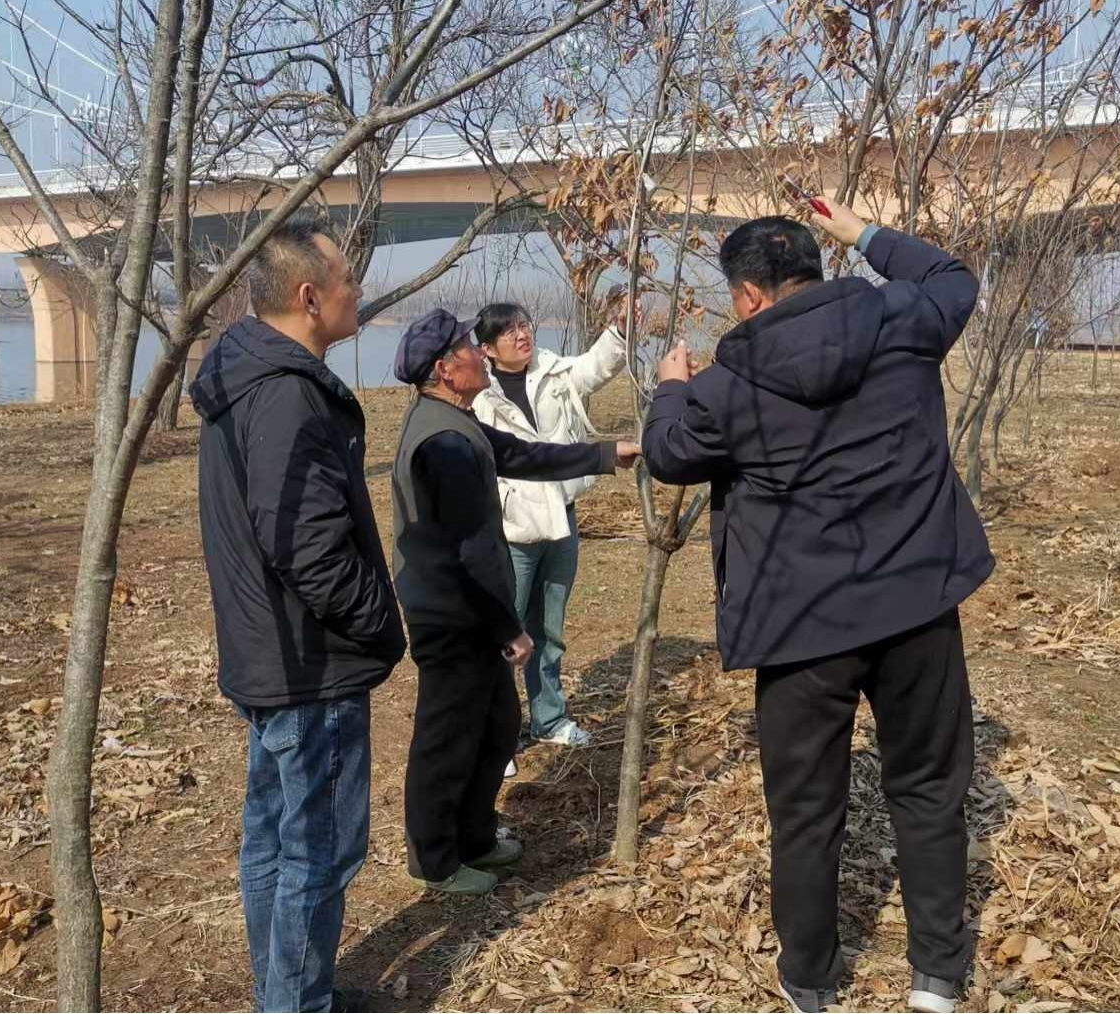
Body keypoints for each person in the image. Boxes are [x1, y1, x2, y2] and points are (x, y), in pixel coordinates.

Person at [640, 197, 991, 1014]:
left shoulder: (726, 388)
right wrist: (861, 232)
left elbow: (667, 454)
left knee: (805, 811)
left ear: (747, 296)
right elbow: (952, 276)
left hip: (800, 628)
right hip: (915, 606)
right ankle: (936, 975)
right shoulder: (901, 322)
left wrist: (669, 389)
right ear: (816, 265)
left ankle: (808, 978)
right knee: (928, 788)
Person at [190, 214, 404, 1013]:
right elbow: (307, 549)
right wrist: (378, 625)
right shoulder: (284, 395)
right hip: (309, 665)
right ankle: (296, 1003)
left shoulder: (249, 374)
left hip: (271, 651)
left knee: (277, 842)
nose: (359, 290)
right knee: (317, 851)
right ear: (310, 297)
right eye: (348, 279)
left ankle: (286, 995)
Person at [390, 309, 639, 895]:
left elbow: (523, 455)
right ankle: (435, 860)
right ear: (446, 370)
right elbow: (472, 550)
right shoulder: (444, 442)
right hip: (450, 614)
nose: (480, 353)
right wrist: (510, 628)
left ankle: (475, 837)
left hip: (468, 607)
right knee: (447, 738)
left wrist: (604, 455)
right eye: (468, 348)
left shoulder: (460, 422)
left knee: (496, 724)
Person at [471, 301, 630, 749]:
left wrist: (619, 330)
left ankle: (550, 718)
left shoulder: (552, 371)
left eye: (524, 325)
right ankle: (497, 737)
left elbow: (595, 368)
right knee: (507, 635)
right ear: (487, 349)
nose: (522, 335)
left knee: (550, 631)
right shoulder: (480, 394)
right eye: (508, 331)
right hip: (513, 530)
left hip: (562, 521)